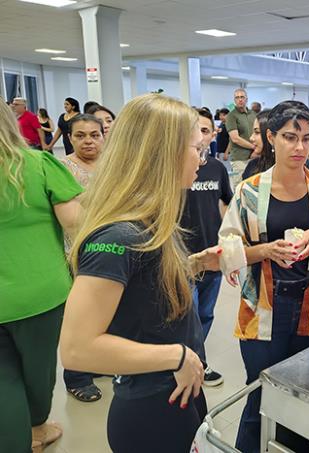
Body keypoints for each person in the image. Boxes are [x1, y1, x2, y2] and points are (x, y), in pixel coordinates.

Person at [59, 94, 229, 453]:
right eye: (196, 148)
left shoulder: (152, 223)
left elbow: (141, 285)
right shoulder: (120, 236)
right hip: (152, 407)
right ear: (164, 153)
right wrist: (177, 356)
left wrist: (195, 263)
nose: (202, 158)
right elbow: (77, 349)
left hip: (178, 390)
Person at [219, 100, 309, 453]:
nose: (300, 147)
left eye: (307, 138)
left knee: (305, 394)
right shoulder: (250, 190)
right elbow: (224, 252)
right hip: (262, 309)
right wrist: (264, 251)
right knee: (260, 392)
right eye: (290, 137)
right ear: (271, 138)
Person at [0, 99, 82, 452]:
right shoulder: (38, 165)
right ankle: (37, 429)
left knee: (4, 380)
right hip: (40, 296)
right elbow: (76, 225)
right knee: (38, 374)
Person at [180, 107, 233, 387]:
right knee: (187, 316)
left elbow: (225, 204)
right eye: (195, 130)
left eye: (205, 130)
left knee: (205, 313)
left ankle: (197, 361)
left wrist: (229, 240)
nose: (201, 136)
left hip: (212, 254)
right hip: (183, 257)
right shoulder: (175, 167)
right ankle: (193, 365)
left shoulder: (215, 168)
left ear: (213, 134)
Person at [57, 114, 106, 402]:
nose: (88, 140)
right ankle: (76, 375)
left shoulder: (115, 166)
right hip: (76, 252)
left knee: (106, 312)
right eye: (80, 135)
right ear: (70, 138)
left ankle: (99, 362)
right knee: (79, 316)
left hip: (111, 250)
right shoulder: (62, 169)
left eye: (94, 134)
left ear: (103, 135)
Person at [242, 109, 309, 180]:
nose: (251, 138)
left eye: (257, 132)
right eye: (290, 138)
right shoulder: (253, 166)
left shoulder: (308, 167)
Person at [224, 88, 257, 187]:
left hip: (254, 157)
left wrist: (257, 151)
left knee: (253, 186)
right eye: (237, 97)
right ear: (234, 100)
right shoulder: (231, 116)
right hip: (240, 159)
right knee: (240, 186)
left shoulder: (253, 114)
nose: (240, 100)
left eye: (242, 97)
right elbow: (235, 138)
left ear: (246, 99)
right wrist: (254, 147)